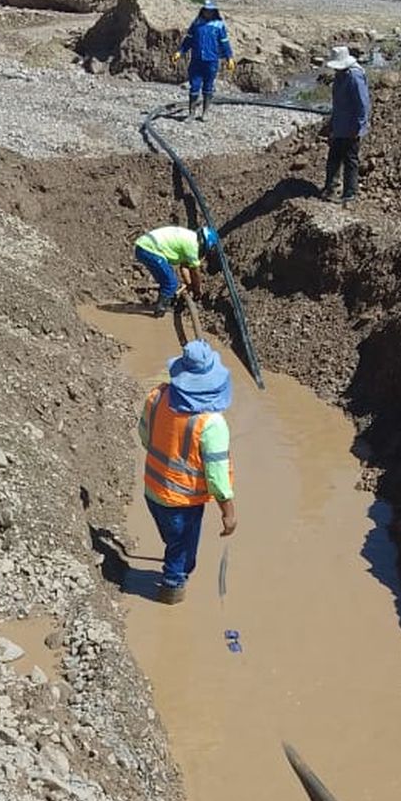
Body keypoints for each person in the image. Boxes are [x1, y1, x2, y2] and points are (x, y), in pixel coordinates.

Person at [138, 340, 237, 604]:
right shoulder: (211, 424)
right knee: (181, 556)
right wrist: (228, 512)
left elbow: (145, 438)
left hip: (152, 490)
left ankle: (174, 566)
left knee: (173, 542)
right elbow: (217, 476)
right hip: (183, 502)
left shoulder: (157, 396)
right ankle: (171, 592)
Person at [322, 44, 371, 206]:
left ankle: (350, 193)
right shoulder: (341, 75)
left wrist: (359, 126)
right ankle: (331, 189)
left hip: (351, 126)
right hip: (339, 124)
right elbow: (338, 102)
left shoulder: (354, 76)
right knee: (334, 157)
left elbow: (362, 104)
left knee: (350, 159)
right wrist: (332, 123)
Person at [133, 224, 219, 313]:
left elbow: (184, 267)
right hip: (149, 250)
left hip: (143, 247)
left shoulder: (190, 237)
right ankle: (160, 310)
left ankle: (162, 303)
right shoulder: (193, 246)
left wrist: (189, 284)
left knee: (166, 281)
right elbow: (195, 272)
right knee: (171, 283)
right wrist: (197, 290)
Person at [175, 0, 235, 121]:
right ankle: (191, 113)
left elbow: (224, 43)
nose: (208, 13)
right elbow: (188, 40)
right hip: (196, 60)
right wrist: (180, 52)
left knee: (208, 86)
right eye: (206, 10)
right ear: (203, 10)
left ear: (214, 11)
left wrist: (229, 57)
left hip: (211, 60)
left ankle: (205, 112)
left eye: (210, 11)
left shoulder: (219, 25)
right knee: (194, 86)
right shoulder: (196, 23)